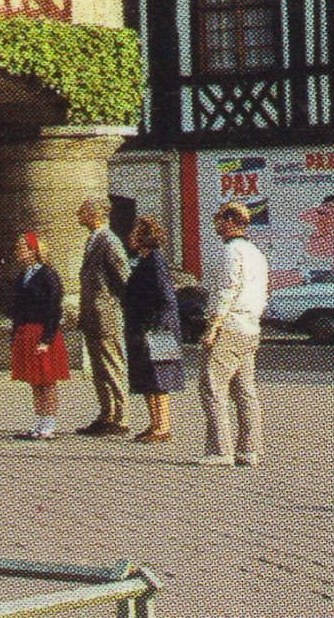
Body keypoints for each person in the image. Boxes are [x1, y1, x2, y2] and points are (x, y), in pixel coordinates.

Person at [197, 202, 268, 467]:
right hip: (250, 326)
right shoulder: (256, 252)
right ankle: (249, 450)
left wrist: (213, 326)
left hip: (230, 325)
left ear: (229, 222)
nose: (215, 225)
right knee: (245, 390)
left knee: (212, 387)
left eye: (218, 220)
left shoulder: (230, 252)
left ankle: (220, 450)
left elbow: (226, 291)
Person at [122, 217, 183, 444]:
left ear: (143, 237)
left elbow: (166, 299)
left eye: (135, 233)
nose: (131, 238)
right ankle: (155, 423)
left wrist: (155, 329)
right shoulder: (144, 260)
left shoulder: (155, 262)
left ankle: (162, 426)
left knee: (159, 378)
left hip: (158, 330)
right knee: (148, 377)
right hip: (146, 328)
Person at [75, 197, 132, 436]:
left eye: (82, 211)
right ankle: (106, 413)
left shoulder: (109, 241)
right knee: (98, 368)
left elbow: (123, 278)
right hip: (93, 315)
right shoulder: (93, 239)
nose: (78, 215)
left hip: (107, 314)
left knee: (112, 365)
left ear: (95, 214)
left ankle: (121, 416)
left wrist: (122, 308)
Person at [7, 233, 71, 441]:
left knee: (48, 380)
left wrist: (47, 339)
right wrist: (15, 334)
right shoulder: (21, 276)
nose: (18, 252)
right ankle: (39, 422)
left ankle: (49, 425)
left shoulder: (47, 275)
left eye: (21, 248)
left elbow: (54, 308)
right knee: (35, 381)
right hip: (25, 331)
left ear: (33, 251)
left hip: (43, 331)